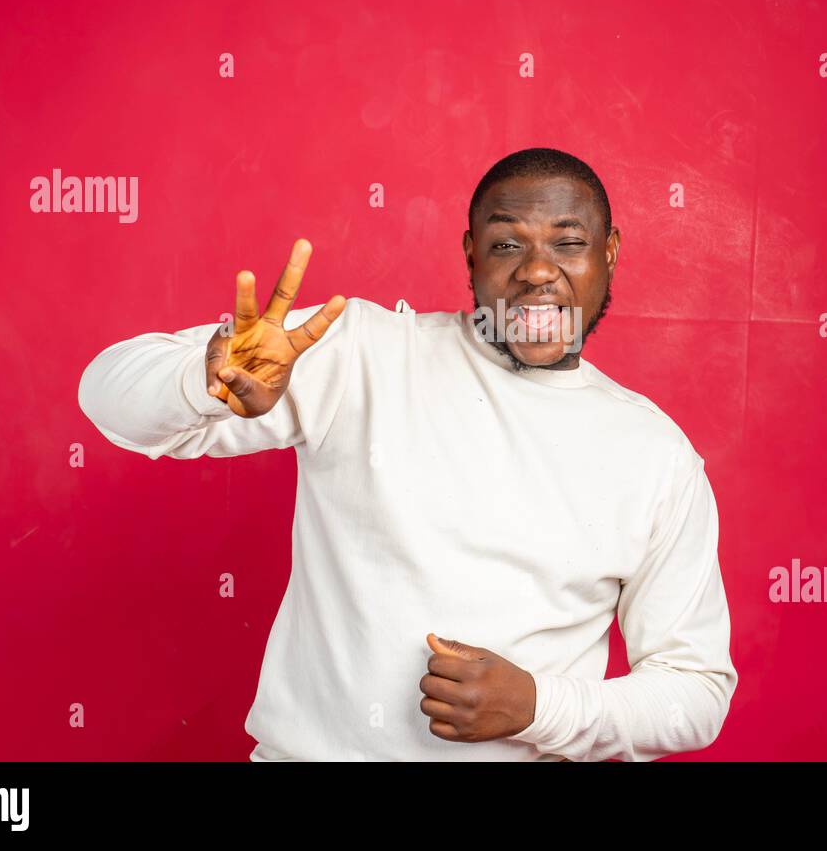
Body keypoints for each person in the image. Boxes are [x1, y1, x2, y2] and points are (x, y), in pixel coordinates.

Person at [77, 147, 737, 761]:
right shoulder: (362, 353)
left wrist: (538, 706)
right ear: (471, 253)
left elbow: (696, 690)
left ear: (610, 252)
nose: (538, 270)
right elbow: (106, 392)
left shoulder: (653, 454)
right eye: (508, 243)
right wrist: (206, 380)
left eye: (568, 243)